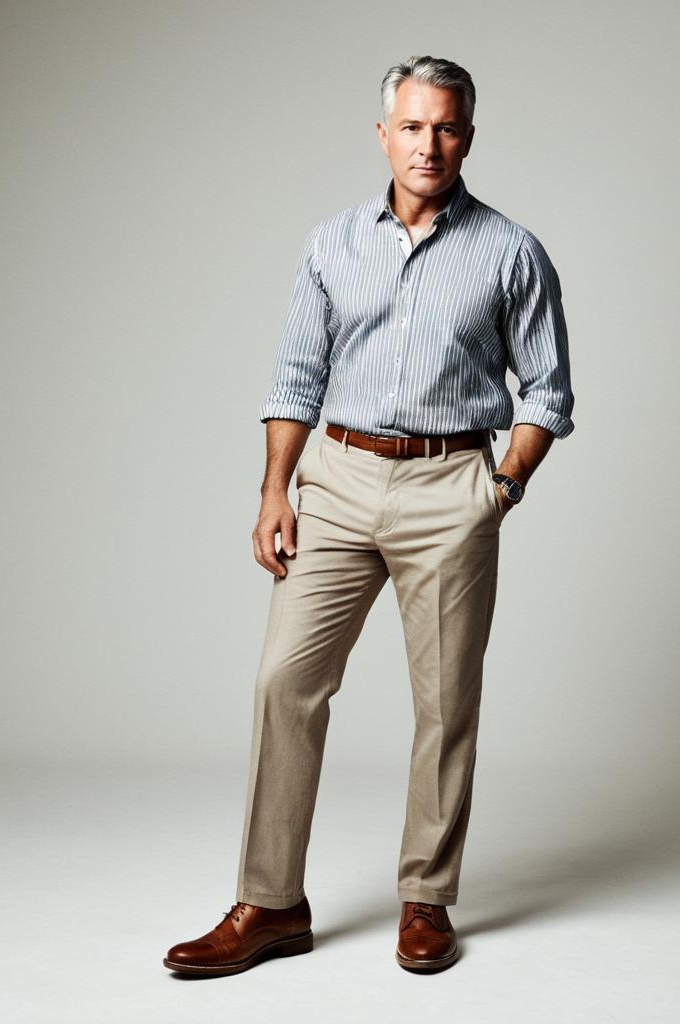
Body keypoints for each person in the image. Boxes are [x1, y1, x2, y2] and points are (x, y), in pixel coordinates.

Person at [164, 54, 574, 977]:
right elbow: (295, 377)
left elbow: (548, 390)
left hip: (448, 489)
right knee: (284, 684)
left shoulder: (511, 251)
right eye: (414, 125)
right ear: (383, 132)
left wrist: (498, 488)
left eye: (449, 127)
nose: (430, 144)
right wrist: (276, 488)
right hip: (337, 481)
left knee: (444, 706)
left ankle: (426, 900)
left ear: (469, 135)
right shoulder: (332, 242)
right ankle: (271, 901)